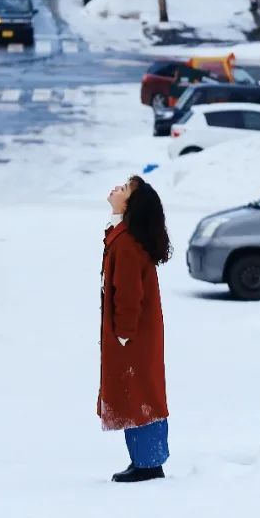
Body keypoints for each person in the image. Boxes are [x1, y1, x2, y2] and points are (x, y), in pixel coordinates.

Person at [98, 175, 171, 483]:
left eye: (124, 189)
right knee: (136, 392)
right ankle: (144, 460)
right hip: (133, 336)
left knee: (140, 393)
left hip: (133, 337)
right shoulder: (124, 235)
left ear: (131, 205)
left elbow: (128, 293)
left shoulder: (128, 245)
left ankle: (149, 463)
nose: (117, 188)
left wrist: (124, 333)